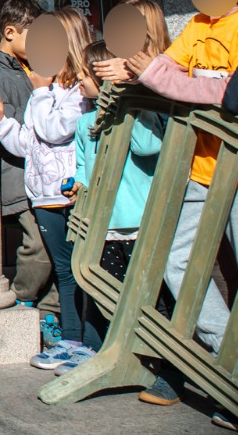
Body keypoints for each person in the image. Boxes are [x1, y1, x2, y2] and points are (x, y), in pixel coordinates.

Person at [123, 0, 238, 423]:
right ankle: (230, 358)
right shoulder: (196, 25)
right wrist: (147, 75)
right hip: (201, 169)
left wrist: (162, 78)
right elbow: (165, 71)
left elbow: (231, 93)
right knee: (176, 259)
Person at [0, 6, 94, 375]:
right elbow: (29, 142)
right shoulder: (45, 89)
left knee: (76, 269)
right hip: (42, 195)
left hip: (68, 194)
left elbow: (55, 130)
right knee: (64, 269)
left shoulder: (75, 90)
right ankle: (71, 341)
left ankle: (84, 341)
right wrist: (2, 122)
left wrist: (41, 91)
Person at [70, 37, 169, 354]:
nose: (78, 78)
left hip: (139, 226)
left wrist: (131, 109)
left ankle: (157, 356)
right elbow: (83, 166)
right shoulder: (85, 123)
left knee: (150, 296)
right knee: (110, 295)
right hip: (105, 228)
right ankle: (123, 352)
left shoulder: (139, 113)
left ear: (104, 77)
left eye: (84, 73)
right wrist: (78, 185)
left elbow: (148, 146)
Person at [0, 0, 59, 344]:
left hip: (43, 176)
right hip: (16, 175)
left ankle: (50, 313)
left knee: (55, 246)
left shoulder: (33, 67)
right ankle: (23, 300)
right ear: (10, 32)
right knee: (39, 246)